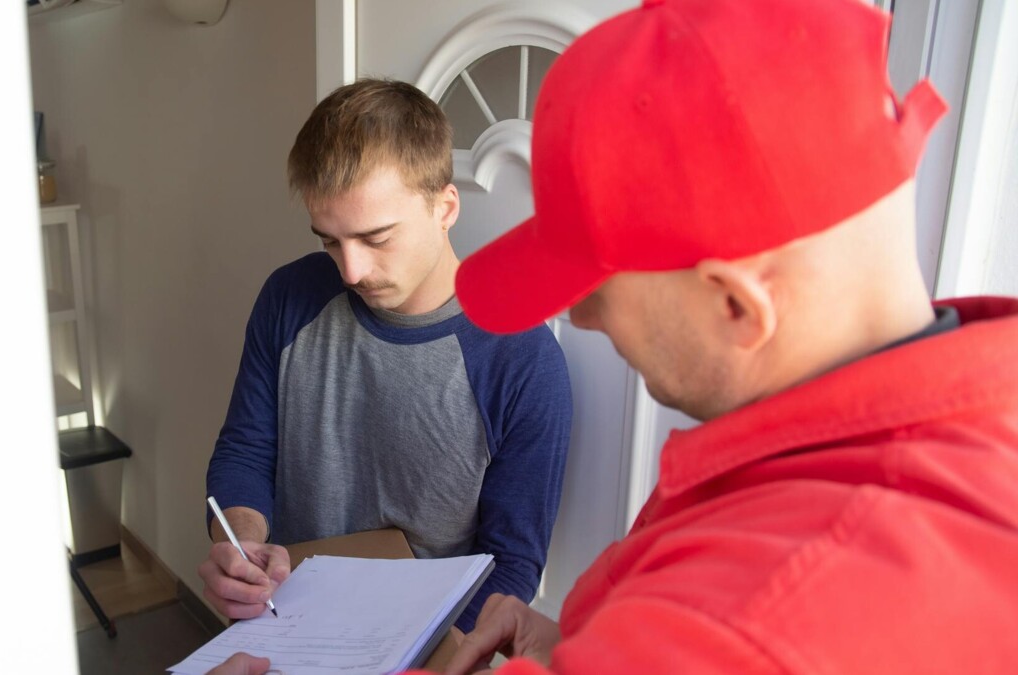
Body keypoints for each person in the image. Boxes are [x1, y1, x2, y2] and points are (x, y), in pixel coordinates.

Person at [438, 0, 1018, 672]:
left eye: (594, 291)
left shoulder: (739, 623)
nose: (583, 320)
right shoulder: (963, 412)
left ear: (737, 306)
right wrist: (581, 638)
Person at [198, 79, 572, 640]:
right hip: (283, 629)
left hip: (421, 646)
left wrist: (424, 656)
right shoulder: (291, 296)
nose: (349, 271)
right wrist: (242, 543)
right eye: (330, 240)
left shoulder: (522, 360)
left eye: (376, 238)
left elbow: (511, 564)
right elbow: (246, 450)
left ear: (445, 207)